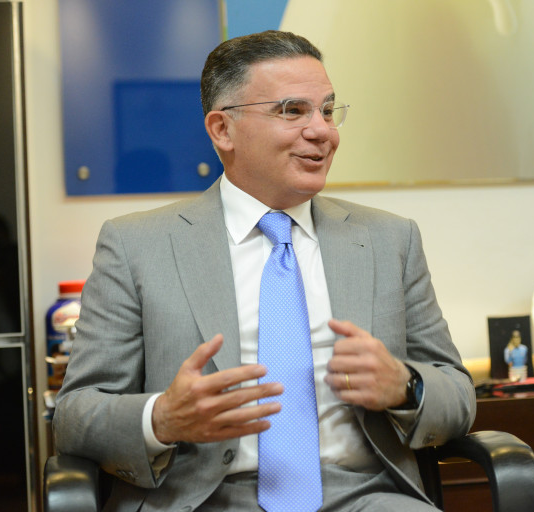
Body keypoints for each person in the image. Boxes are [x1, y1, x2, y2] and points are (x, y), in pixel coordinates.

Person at [54, 30, 475, 511]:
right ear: (222, 130)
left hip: (365, 495)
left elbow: (458, 393)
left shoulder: (389, 240)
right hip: (200, 499)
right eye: (293, 111)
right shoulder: (136, 246)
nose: (322, 131)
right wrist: (161, 418)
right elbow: (75, 415)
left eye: (327, 111)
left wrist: (406, 387)